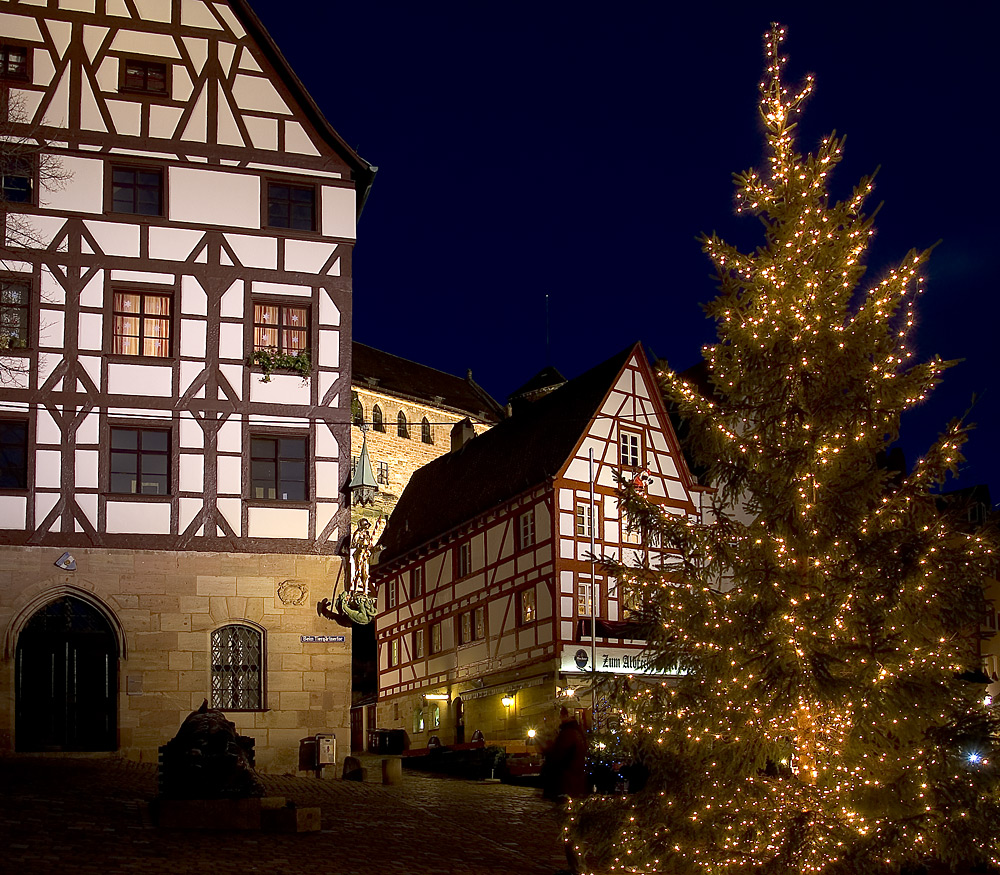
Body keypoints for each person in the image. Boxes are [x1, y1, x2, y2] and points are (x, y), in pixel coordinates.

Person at [541, 707, 587, 874]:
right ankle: (576, 866)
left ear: (562, 716)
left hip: (567, 787)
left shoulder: (568, 735)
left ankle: (577, 867)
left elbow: (557, 758)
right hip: (573, 786)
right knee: (571, 829)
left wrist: (546, 748)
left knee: (570, 830)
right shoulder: (576, 732)